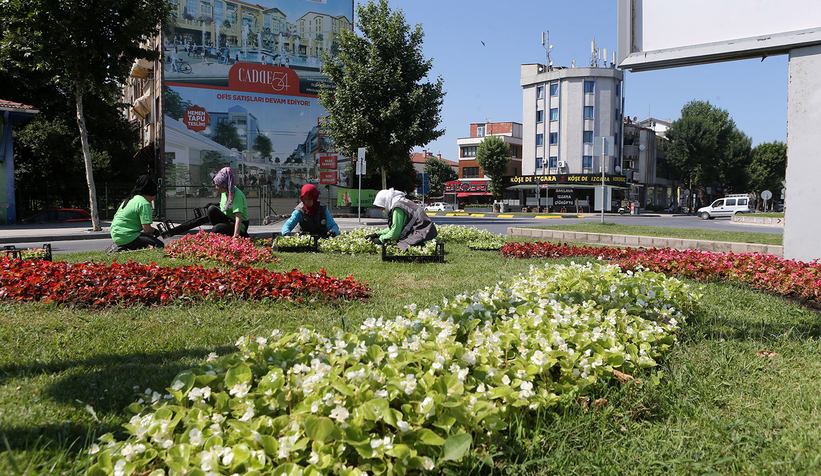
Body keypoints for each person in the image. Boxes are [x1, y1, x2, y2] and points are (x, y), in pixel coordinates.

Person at [365, 188, 437, 250]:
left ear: (385, 202)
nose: (381, 209)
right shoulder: (400, 202)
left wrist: (381, 240)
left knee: (401, 245)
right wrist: (377, 234)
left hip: (424, 235)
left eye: (381, 206)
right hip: (427, 233)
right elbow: (394, 227)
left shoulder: (398, 207)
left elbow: (396, 232)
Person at [108, 175, 164, 252]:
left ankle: (123, 246)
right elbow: (147, 229)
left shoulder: (130, 199)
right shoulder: (144, 203)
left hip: (116, 235)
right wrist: (156, 231)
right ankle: (124, 248)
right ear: (152, 193)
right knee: (160, 245)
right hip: (128, 236)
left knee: (146, 239)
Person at [207, 167, 250, 238]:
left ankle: (242, 234)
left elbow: (238, 218)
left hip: (240, 224)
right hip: (228, 219)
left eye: (217, 185)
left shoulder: (237, 195)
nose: (216, 188)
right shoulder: (224, 193)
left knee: (216, 229)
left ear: (224, 186)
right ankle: (222, 230)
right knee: (211, 209)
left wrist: (235, 237)